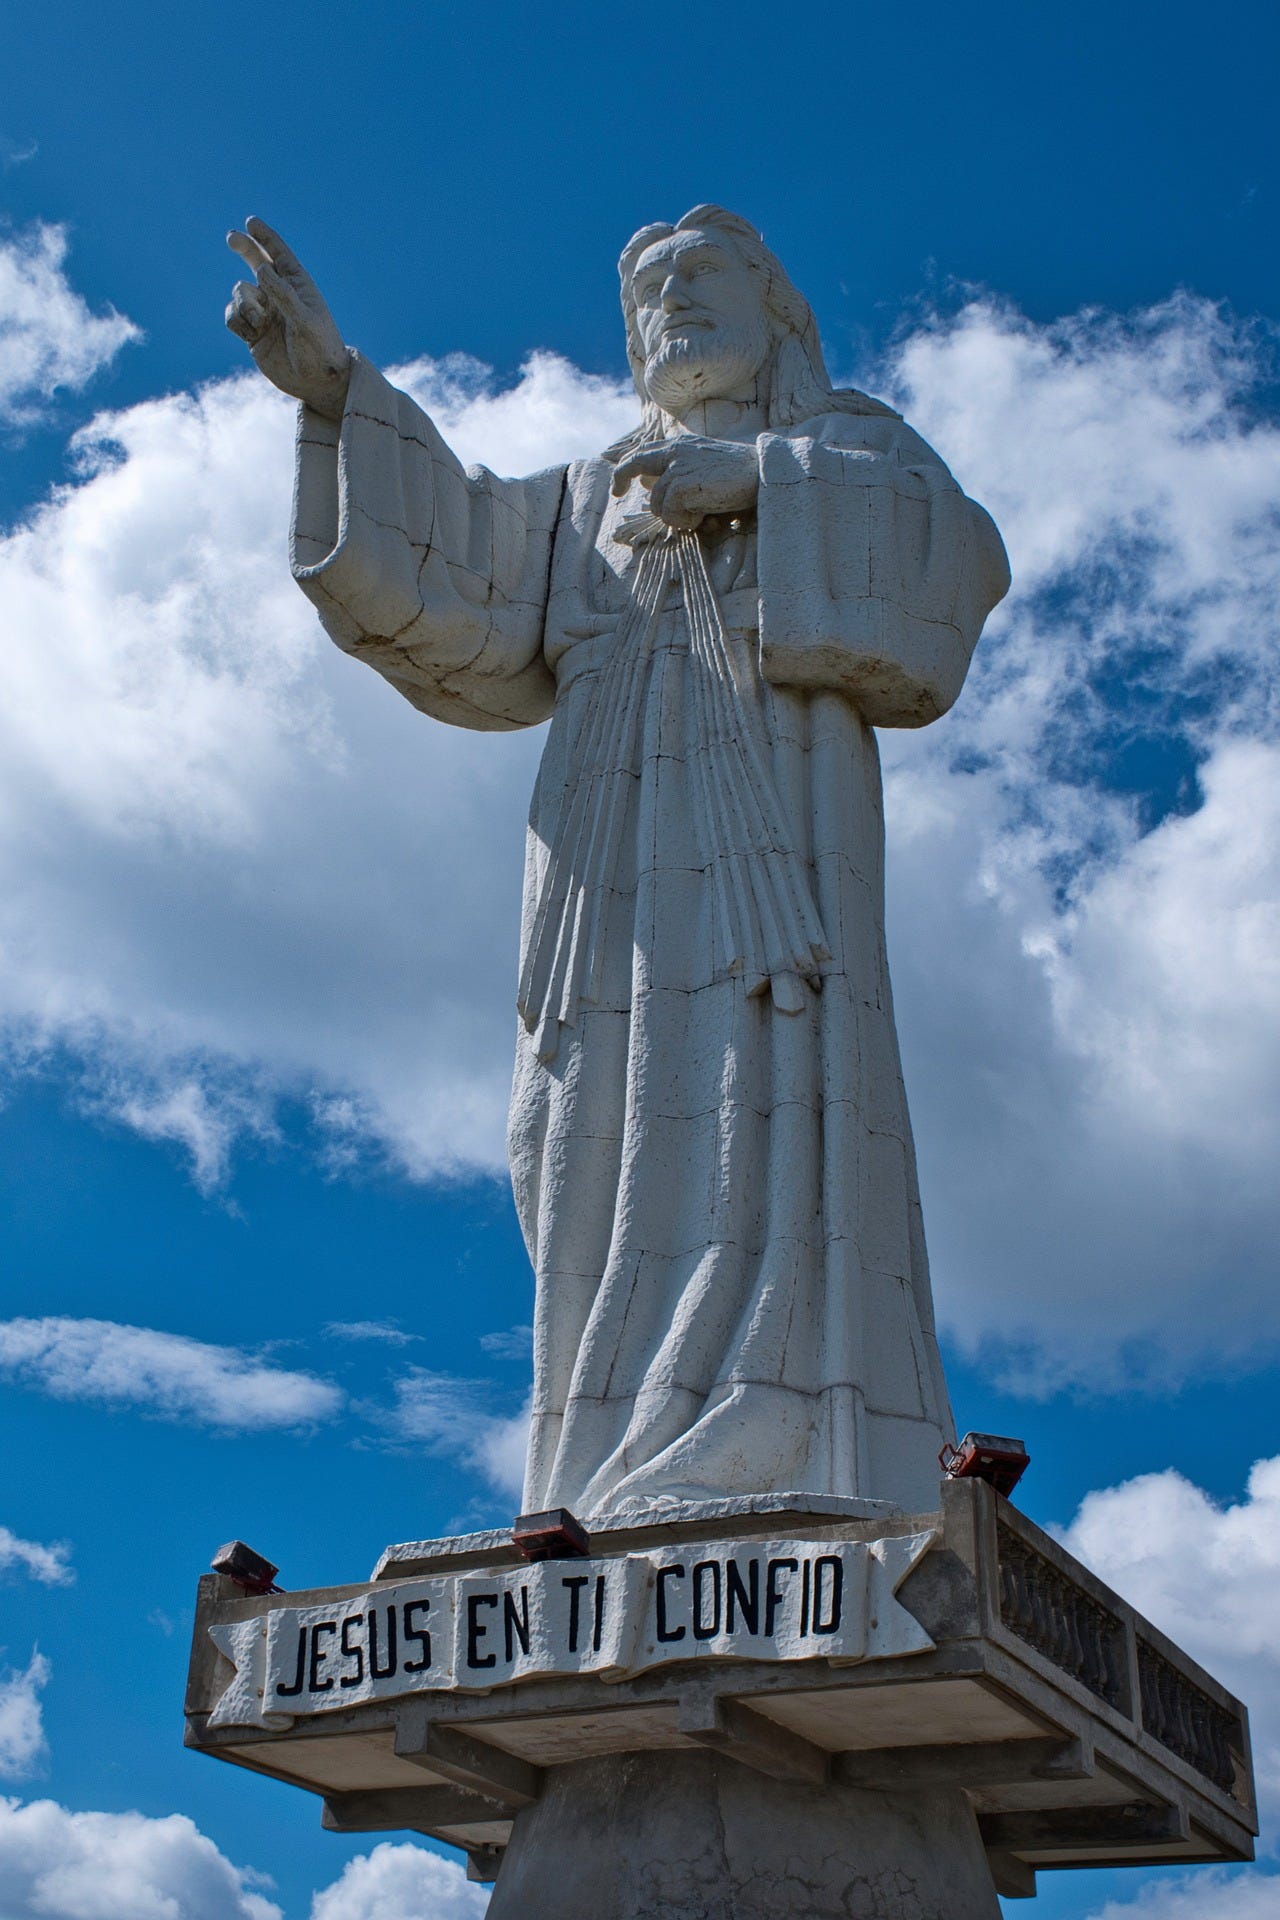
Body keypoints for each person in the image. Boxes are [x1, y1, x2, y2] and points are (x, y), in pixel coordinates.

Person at [226, 205, 1009, 1519]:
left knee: (764, 1112)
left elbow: (954, 559)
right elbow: (452, 578)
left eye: (703, 274)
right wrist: (336, 389)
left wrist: (761, 486)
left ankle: (766, 1431)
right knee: (571, 1134)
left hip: (772, 868)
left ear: (776, 311)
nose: (671, 301)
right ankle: (601, 1466)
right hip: (602, 881)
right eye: (646, 288)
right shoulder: (594, 493)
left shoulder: (844, 448)